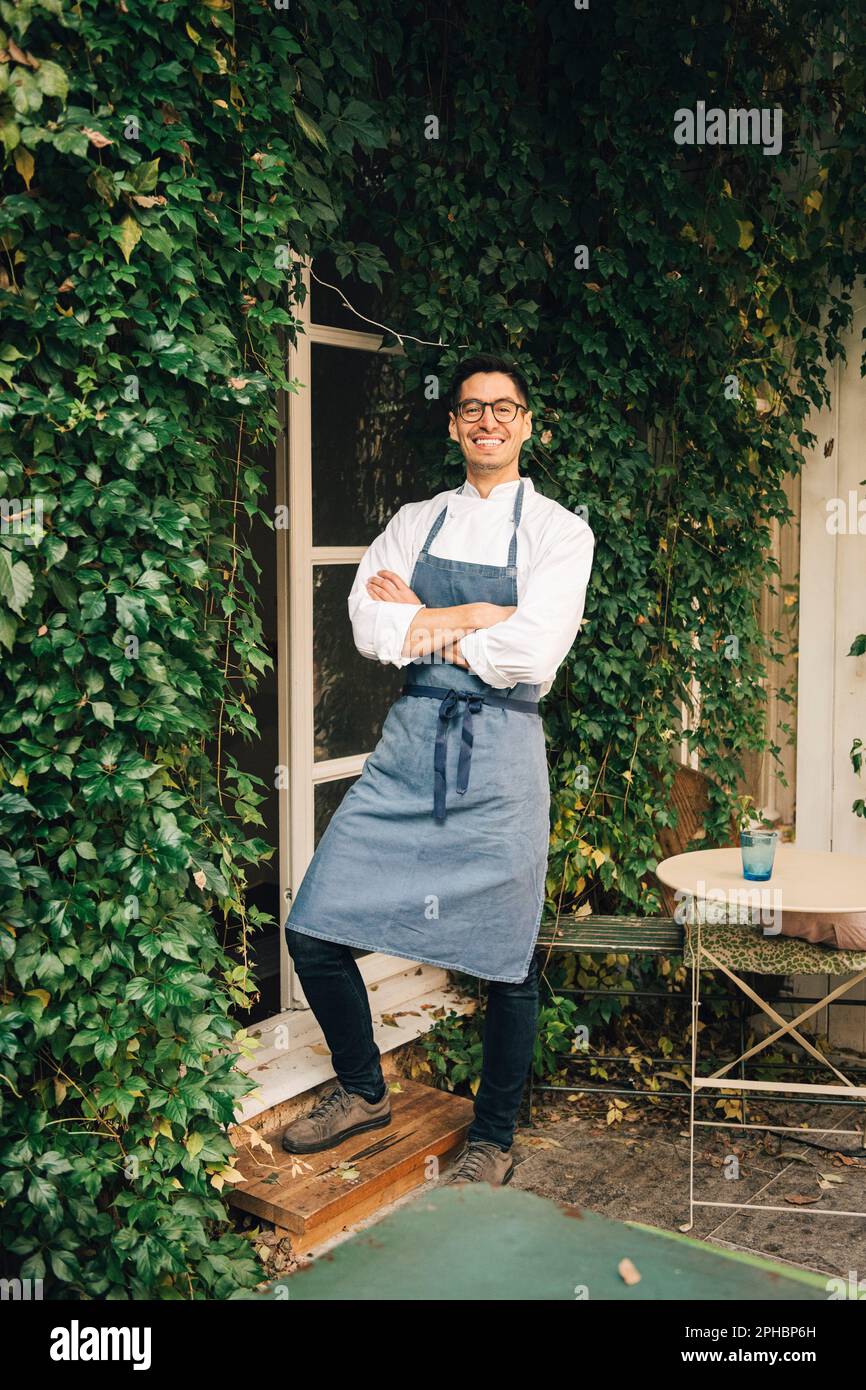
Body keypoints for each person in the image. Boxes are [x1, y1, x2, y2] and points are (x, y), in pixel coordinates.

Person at [281, 352, 595, 1186]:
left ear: (527, 424)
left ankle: (493, 1137)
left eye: (504, 408)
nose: (487, 421)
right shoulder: (416, 520)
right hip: (411, 747)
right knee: (312, 928)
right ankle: (362, 1088)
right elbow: (365, 629)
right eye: (471, 410)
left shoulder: (561, 531)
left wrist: (418, 620)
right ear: (454, 425)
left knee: (507, 960)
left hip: (500, 761)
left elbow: (532, 649)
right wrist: (468, 615)